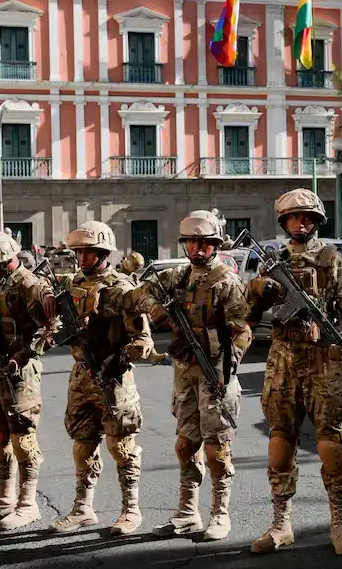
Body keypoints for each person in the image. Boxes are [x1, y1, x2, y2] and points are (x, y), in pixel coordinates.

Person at [246, 189, 342, 555]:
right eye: (294, 217)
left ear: (317, 221)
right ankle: (281, 523)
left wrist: (333, 335)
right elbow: (247, 312)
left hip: (323, 361)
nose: (301, 222)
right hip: (283, 361)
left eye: (308, 217)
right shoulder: (273, 260)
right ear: (284, 222)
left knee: (331, 444)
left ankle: (339, 523)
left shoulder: (332, 259)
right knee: (280, 443)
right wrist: (258, 289)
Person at [133, 211, 251, 541]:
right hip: (185, 373)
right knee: (186, 444)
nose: (198, 248)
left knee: (218, 449)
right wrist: (157, 310)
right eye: (192, 242)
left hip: (216, 375)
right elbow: (140, 293)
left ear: (215, 245)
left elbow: (242, 332)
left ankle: (220, 513)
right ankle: (187, 513)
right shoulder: (176, 278)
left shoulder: (227, 281)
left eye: (205, 243)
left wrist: (226, 368)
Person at [45, 221, 149, 536]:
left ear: (103, 252)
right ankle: (83, 508)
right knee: (82, 441)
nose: (82, 257)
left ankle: (131, 509)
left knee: (122, 444)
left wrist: (118, 359)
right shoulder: (71, 283)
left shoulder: (121, 289)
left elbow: (143, 342)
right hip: (81, 374)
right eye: (79, 252)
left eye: (89, 252)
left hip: (113, 377)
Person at [0, 231, 58, 531]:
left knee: (22, 436)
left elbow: (51, 327)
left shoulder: (30, 285)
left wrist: (25, 354)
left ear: (5, 259)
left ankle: (27, 504)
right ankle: (5, 500)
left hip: (20, 370)